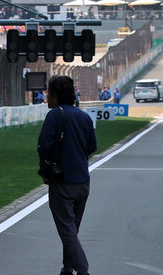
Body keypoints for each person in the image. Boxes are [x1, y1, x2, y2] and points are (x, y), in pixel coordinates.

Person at [39, 75, 99, 275]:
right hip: (83, 181)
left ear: (55, 95)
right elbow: (92, 146)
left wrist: (46, 170)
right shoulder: (83, 116)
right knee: (72, 230)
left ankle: (83, 271)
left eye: (49, 93)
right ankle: (67, 269)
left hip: (62, 182)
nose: (47, 97)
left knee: (67, 231)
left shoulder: (55, 115)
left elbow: (43, 146)